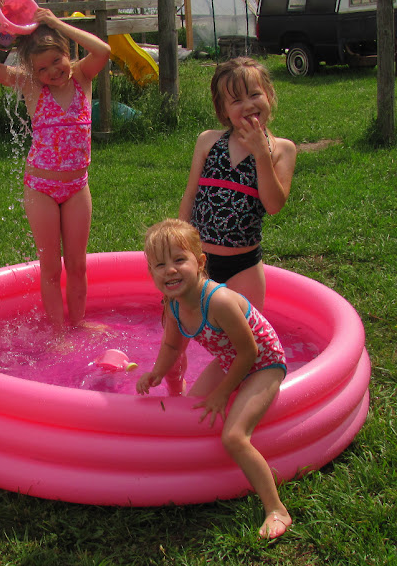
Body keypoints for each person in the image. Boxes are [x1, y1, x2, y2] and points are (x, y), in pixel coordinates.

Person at [136, 219, 292, 540]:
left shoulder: (218, 301)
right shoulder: (175, 305)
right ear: (151, 272)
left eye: (179, 260)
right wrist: (156, 373)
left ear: (200, 262)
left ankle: (277, 509)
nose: (170, 270)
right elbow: (172, 346)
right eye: (160, 265)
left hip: (263, 362)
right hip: (231, 359)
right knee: (191, 413)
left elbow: (249, 352)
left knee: (234, 436)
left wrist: (223, 393)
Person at [0, 0, 110, 332]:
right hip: (41, 189)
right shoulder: (32, 86)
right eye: (43, 68)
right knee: (50, 268)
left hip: (77, 188)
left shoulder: (83, 76)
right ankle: (59, 333)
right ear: (34, 72)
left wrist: (56, 23)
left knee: (77, 265)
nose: (53, 71)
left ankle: (78, 324)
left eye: (57, 61)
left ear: (67, 53)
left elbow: (103, 50)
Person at [178, 56, 296, 313]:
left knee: (247, 331)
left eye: (254, 94)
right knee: (189, 324)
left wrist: (261, 153)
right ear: (223, 110)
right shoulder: (208, 142)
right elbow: (190, 196)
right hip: (201, 260)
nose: (248, 105)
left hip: (244, 266)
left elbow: (273, 205)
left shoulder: (281, 150)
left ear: (269, 95)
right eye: (236, 100)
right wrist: (178, 246)